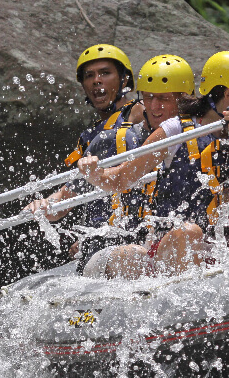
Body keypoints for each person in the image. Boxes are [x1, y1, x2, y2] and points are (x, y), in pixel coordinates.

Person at [77, 51, 229, 278]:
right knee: (189, 232)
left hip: (225, 250)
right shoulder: (175, 130)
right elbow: (119, 179)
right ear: (228, 94)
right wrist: (94, 173)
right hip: (174, 246)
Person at [24, 44, 142, 247]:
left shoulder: (142, 112)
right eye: (89, 76)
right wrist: (44, 205)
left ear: (124, 79)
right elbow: (65, 198)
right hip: (104, 234)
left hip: (140, 226)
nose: (97, 80)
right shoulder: (91, 136)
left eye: (105, 73)